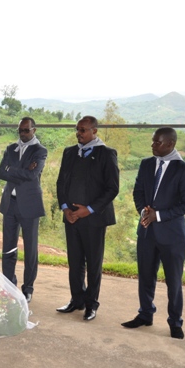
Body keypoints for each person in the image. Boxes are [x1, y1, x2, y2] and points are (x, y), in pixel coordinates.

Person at [122, 127, 185, 339]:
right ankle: (145, 314)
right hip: (146, 231)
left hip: (172, 236)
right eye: (153, 142)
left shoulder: (183, 169)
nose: (152, 145)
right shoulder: (146, 164)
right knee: (145, 276)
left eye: (157, 143)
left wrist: (159, 215)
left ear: (170, 144)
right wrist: (144, 212)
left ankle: (175, 322)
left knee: (173, 281)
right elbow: (138, 192)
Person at [56, 115, 119, 321]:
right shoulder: (69, 152)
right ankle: (77, 300)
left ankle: (92, 304)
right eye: (77, 129)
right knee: (75, 262)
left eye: (83, 130)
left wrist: (89, 209)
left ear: (94, 131)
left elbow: (112, 188)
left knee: (93, 263)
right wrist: (66, 208)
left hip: (93, 219)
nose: (79, 133)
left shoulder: (106, 154)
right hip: (71, 217)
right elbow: (61, 183)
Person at [0, 117, 47, 303]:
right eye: (20, 131)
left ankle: (28, 288)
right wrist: (21, 171)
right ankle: (9, 285)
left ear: (34, 129)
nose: (23, 134)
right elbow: (0, 172)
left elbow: (33, 174)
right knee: (8, 247)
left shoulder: (40, 150)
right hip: (10, 203)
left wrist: (12, 170)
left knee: (30, 250)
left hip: (30, 205)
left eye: (26, 130)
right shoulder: (11, 148)